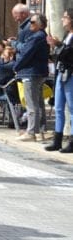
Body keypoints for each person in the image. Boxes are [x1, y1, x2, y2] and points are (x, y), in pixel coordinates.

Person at [13, 13, 50, 142]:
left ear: (40, 24)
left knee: (32, 104)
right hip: (37, 73)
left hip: (31, 73)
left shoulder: (36, 37)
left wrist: (16, 67)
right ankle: (39, 131)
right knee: (38, 103)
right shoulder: (42, 36)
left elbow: (26, 53)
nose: (30, 24)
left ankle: (31, 132)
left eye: (33, 22)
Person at [47, 8, 73, 153]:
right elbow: (60, 55)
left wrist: (58, 45)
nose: (63, 19)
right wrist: (55, 47)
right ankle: (57, 140)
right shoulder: (66, 35)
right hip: (60, 73)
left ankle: (72, 141)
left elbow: (69, 53)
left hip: (70, 75)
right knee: (58, 107)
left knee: (72, 107)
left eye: (66, 17)